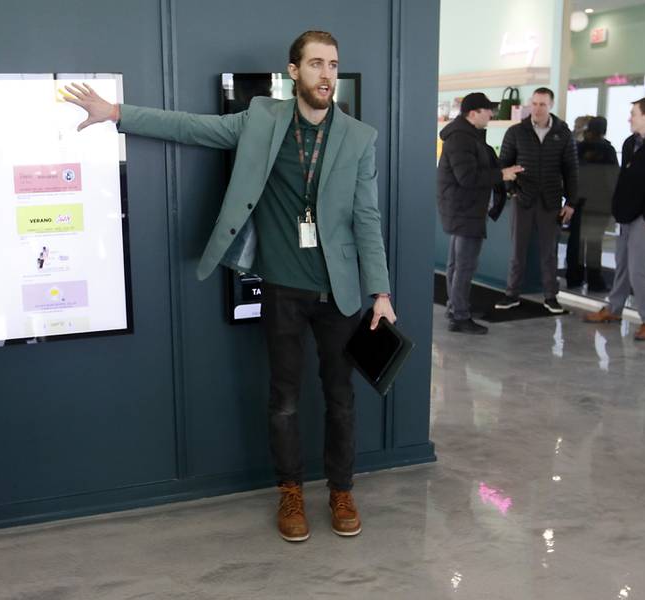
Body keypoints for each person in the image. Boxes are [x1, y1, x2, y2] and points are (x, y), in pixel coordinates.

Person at [63, 31, 396, 542]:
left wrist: (381, 292)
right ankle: (290, 492)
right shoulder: (262, 119)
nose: (326, 75)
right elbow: (193, 128)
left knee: (341, 398)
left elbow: (367, 219)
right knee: (283, 398)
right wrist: (117, 113)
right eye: (314, 65)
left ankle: (341, 489)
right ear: (294, 72)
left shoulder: (359, 137)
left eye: (332, 65)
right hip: (283, 289)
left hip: (340, 293)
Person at [584, 97, 645, 340]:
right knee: (623, 264)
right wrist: (618, 210)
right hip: (626, 215)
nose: (629, 118)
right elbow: (625, 181)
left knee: (639, 269)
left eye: (634, 114)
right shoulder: (630, 143)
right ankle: (614, 309)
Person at [437, 92, 524, 334]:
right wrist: (502, 175)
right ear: (473, 113)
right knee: (464, 265)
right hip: (465, 209)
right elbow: (467, 177)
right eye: (488, 110)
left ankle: (456, 307)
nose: (491, 114)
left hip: (462, 208)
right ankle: (460, 315)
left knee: (457, 263)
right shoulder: (462, 138)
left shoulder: (465, 136)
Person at [494, 87, 579, 314]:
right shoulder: (516, 132)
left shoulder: (563, 133)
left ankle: (551, 297)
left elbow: (571, 170)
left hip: (551, 200)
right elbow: (503, 164)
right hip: (523, 198)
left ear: (551, 105)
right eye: (535, 103)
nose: (538, 108)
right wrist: (512, 190)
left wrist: (571, 201)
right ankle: (511, 294)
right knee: (517, 250)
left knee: (549, 252)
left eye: (543, 104)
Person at [566, 116, 619, 291]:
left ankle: (574, 277)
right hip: (600, 204)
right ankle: (595, 281)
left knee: (576, 241)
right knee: (595, 243)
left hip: (579, 201)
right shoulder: (608, 151)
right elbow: (613, 179)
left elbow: (571, 175)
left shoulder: (578, 148)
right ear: (604, 130)